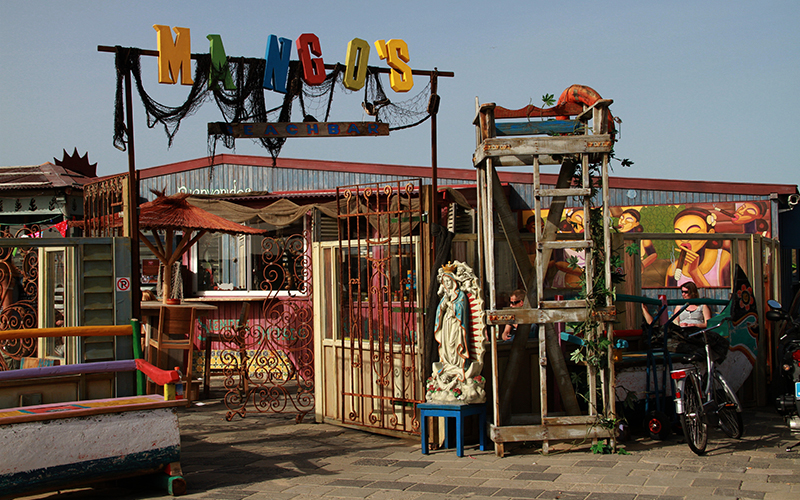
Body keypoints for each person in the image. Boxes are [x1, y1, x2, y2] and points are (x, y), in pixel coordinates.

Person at [666, 207, 731, 287]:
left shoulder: (722, 258)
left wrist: (694, 271)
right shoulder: (673, 269)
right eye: (678, 234)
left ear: (710, 233)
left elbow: (722, 295)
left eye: (693, 232)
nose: (684, 240)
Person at [641, 281, 711, 329]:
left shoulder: (702, 306)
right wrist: (680, 325)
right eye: (682, 292)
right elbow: (675, 321)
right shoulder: (679, 306)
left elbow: (708, 323)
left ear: (692, 292)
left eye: (686, 292)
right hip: (683, 329)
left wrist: (695, 325)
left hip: (697, 330)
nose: (683, 294)